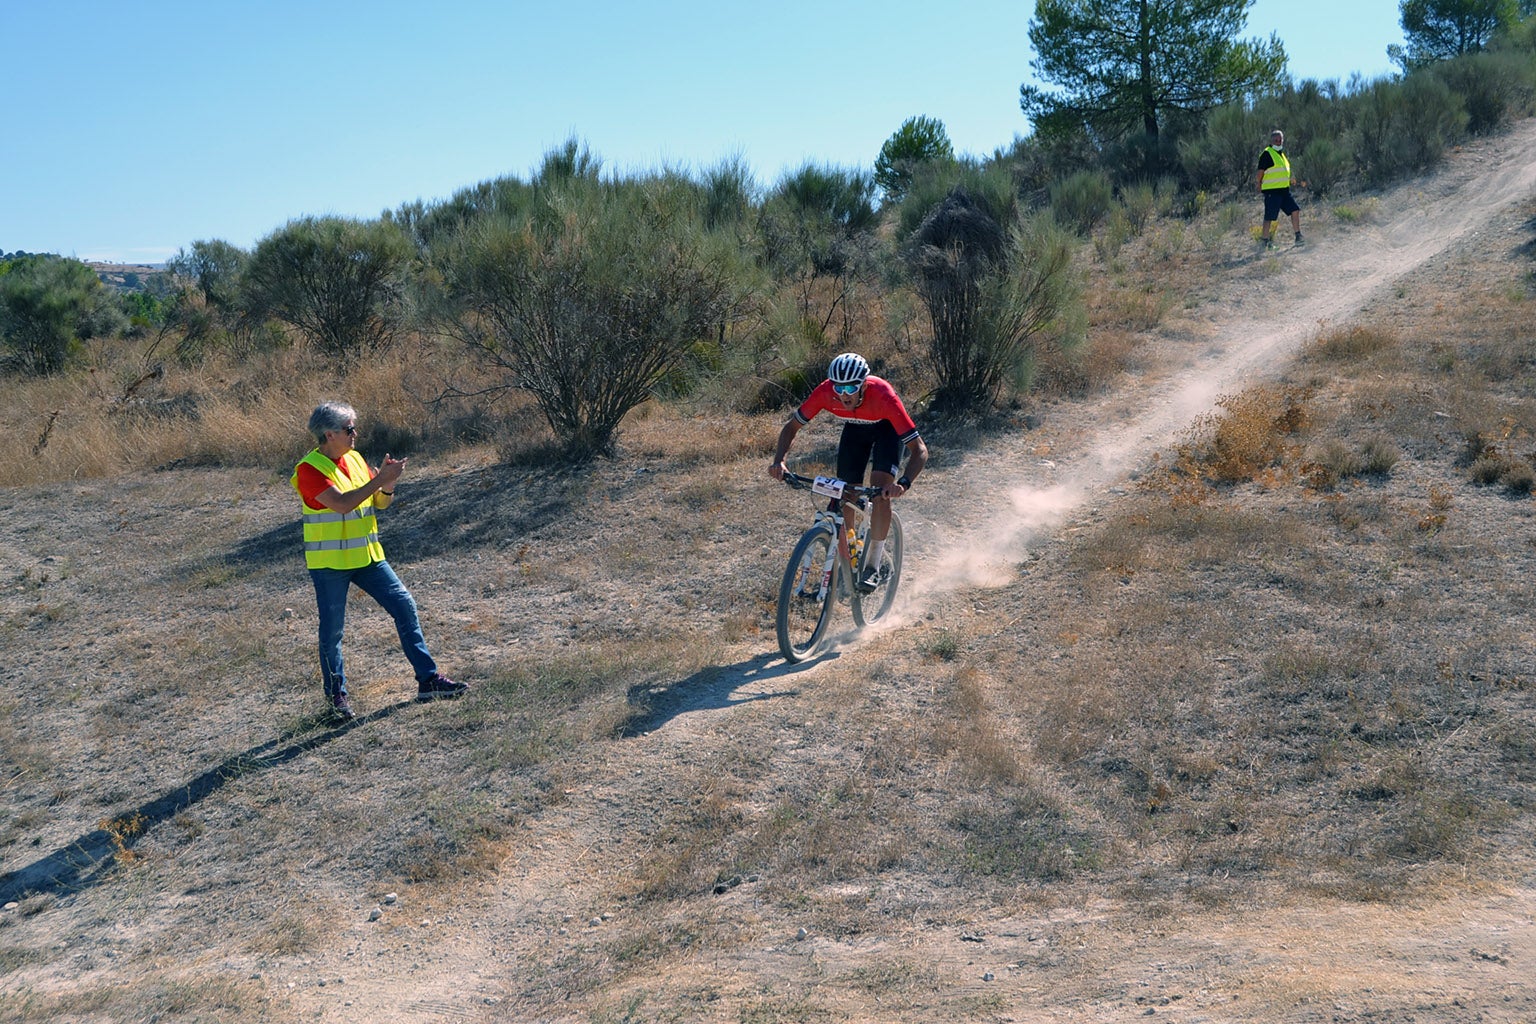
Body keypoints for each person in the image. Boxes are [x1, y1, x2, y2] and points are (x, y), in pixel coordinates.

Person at [291, 401, 466, 722]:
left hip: (368, 558)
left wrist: (388, 483)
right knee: (332, 633)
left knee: (404, 606)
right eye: (349, 429)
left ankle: (428, 680)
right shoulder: (308, 470)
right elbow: (343, 504)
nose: (355, 434)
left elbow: (380, 503)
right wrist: (379, 479)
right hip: (330, 564)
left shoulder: (355, 458)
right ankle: (336, 698)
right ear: (329, 434)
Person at [768, 353, 928, 592]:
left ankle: (873, 566)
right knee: (846, 495)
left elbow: (920, 450)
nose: (844, 394)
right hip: (855, 431)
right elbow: (792, 427)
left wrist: (903, 483)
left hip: (886, 429)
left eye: (851, 387)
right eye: (839, 387)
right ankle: (848, 564)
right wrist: (779, 461)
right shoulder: (824, 392)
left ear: (863, 384)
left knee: (879, 491)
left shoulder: (884, 396)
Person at [1257, 129, 1305, 249]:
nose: (1278, 142)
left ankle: (1298, 236)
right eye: (1276, 140)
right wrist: (1258, 183)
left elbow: (1282, 171)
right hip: (1272, 191)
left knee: (1295, 210)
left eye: (1280, 140)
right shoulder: (1267, 154)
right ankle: (1264, 241)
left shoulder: (1282, 155)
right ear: (1271, 141)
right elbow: (1260, 172)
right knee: (1269, 216)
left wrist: (1290, 180)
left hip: (1284, 191)